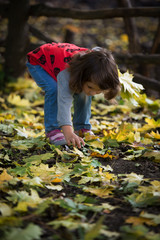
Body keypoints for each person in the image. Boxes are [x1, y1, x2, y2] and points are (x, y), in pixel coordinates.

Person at [26, 42, 120, 148]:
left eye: (99, 91)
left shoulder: (100, 67)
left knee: (84, 93)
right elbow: (64, 102)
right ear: (81, 76)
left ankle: (82, 127)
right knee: (54, 89)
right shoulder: (66, 73)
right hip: (39, 61)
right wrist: (68, 132)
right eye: (90, 87)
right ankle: (53, 130)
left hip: (59, 62)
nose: (93, 93)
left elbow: (100, 52)